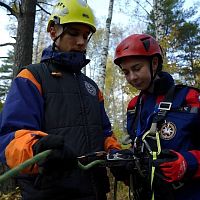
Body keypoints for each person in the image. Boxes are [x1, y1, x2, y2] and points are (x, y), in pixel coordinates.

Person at [0, 0, 121, 199]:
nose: (81, 42)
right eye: (73, 33)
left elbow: (105, 133)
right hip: (49, 192)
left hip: (95, 191)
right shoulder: (32, 77)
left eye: (85, 35)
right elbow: (10, 138)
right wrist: (38, 148)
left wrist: (116, 153)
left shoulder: (92, 88)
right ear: (53, 31)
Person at [113, 33, 200, 200]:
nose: (132, 77)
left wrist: (187, 163)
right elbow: (141, 148)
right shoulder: (134, 106)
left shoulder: (190, 98)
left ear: (154, 63)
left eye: (137, 68)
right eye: (126, 72)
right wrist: (126, 162)